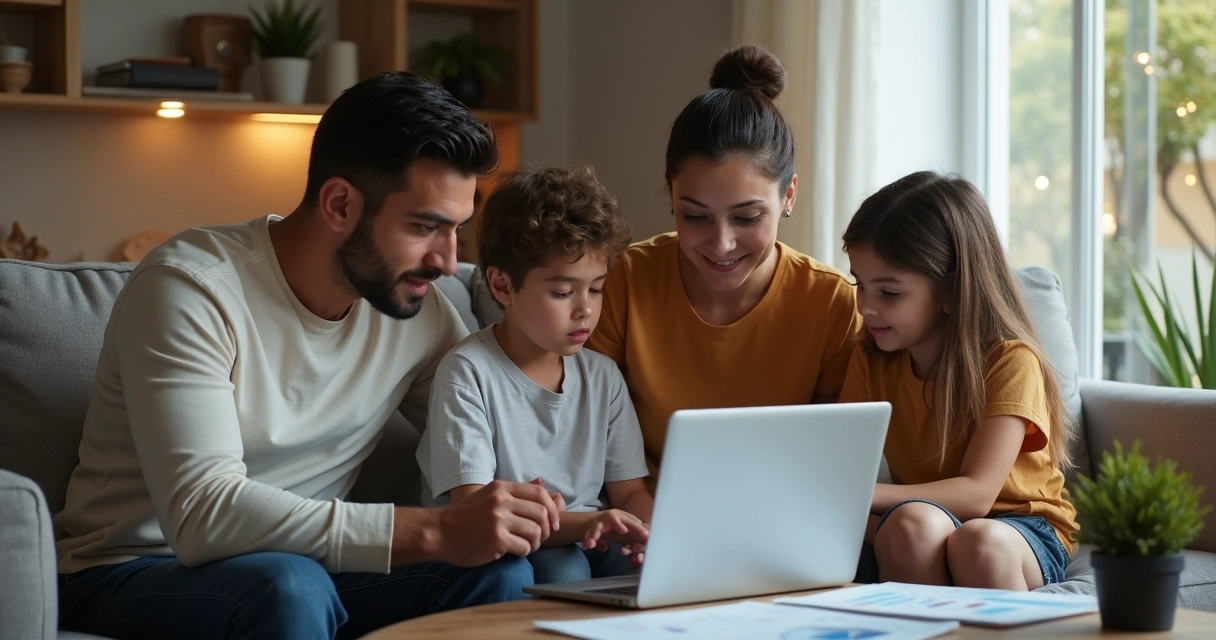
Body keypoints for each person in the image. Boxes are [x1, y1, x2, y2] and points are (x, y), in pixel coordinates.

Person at [54, 72, 563, 640]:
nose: (447, 261)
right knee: (289, 586)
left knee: (499, 574)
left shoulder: (415, 311)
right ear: (340, 204)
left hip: (309, 569)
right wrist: (433, 530)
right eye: (425, 227)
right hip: (130, 570)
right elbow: (201, 513)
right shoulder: (191, 287)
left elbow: (498, 435)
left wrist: (611, 504)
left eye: (457, 231)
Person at [586, 44, 862, 478]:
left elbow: (837, 459)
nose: (721, 244)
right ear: (670, 193)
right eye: (694, 216)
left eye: (747, 217)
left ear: (788, 195)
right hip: (641, 521)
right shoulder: (625, 280)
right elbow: (585, 429)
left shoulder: (832, 304)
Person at [839, 171, 1078, 590]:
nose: (865, 307)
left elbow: (977, 495)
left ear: (951, 291)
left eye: (889, 293)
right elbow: (838, 472)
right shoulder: (869, 360)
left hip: (1020, 526)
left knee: (978, 542)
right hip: (925, 518)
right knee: (910, 525)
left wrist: (853, 492)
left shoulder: (1010, 361)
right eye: (860, 284)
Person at [419, 166, 653, 585]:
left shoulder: (603, 377)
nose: (585, 309)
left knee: (644, 564)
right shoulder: (468, 374)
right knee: (563, 567)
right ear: (503, 286)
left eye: (596, 289)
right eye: (563, 293)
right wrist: (588, 524)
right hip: (503, 546)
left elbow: (629, 492)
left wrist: (651, 535)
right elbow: (474, 511)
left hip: (587, 537)